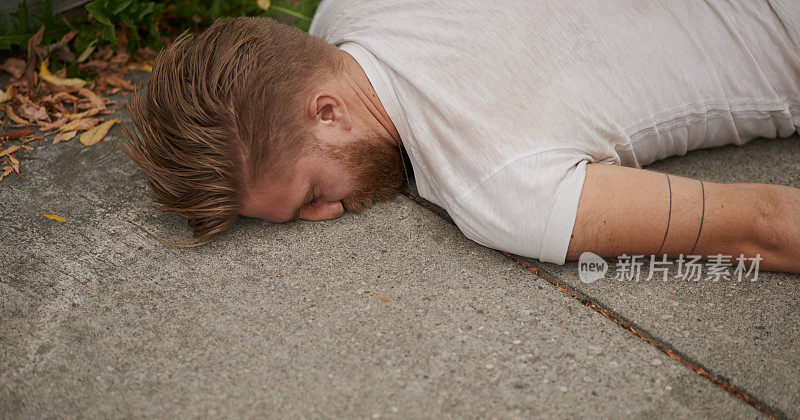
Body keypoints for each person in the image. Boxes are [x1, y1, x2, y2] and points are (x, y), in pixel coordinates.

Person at [124, 0, 800, 273]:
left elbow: (764, 226)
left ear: (327, 112)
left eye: (310, 195)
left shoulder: (498, 185)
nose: (325, 216)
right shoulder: (345, 9)